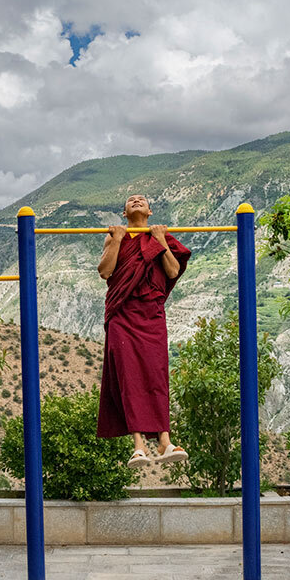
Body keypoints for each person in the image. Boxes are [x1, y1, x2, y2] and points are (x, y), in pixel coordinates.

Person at [96, 194, 192, 467]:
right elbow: (105, 271)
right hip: (123, 315)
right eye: (130, 200)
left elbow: (173, 271)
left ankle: (164, 441)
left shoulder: (161, 236)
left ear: (150, 211)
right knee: (130, 378)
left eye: (141, 200)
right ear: (124, 212)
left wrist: (161, 240)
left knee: (156, 376)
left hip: (151, 316)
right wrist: (116, 239)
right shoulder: (116, 236)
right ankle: (139, 446)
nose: (136, 200)